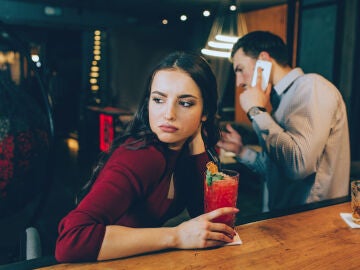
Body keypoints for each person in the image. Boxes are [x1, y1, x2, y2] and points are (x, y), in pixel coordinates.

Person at [55, 51, 238, 262]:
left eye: (185, 103)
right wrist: (176, 236)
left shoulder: (180, 150)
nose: (168, 114)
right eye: (159, 99)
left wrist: (197, 143)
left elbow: (214, 222)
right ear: (148, 103)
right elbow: (70, 242)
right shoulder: (143, 156)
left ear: (205, 111)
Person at [217, 31, 350, 212]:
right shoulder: (279, 102)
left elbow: (298, 166)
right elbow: (277, 172)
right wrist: (241, 151)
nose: (238, 82)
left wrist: (255, 111)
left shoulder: (311, 86)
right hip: (284, 221)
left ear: (263, 60)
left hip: (311, 224)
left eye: (240, 69)